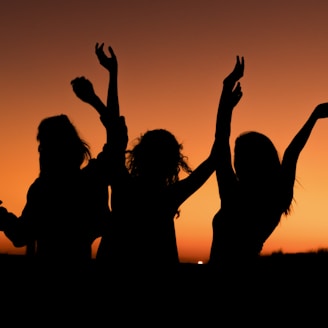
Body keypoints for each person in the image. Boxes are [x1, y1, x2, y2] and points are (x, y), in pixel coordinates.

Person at [79, 42, 218, 265]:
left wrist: (110, 77)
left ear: (138, 155)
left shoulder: (123, 184)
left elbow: (115, 132)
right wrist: (226, 105)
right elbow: (214, 159)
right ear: (173, 163)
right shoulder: (168, 196)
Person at [209, 55, 328, 266]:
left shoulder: (233, 194)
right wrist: (314, 116)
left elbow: (221, 139)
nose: (235, 161)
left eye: (238, 155)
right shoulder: (277, 196)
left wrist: (226, 92)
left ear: (249, 161)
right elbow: (292, 153)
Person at [0, 84, 115, 261]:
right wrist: (94, 100)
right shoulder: (91, 179)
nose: (41, 153)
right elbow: (116, 138)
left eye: (44, 147)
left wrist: (1, 216)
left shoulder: (43, 189)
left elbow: (21, 235)